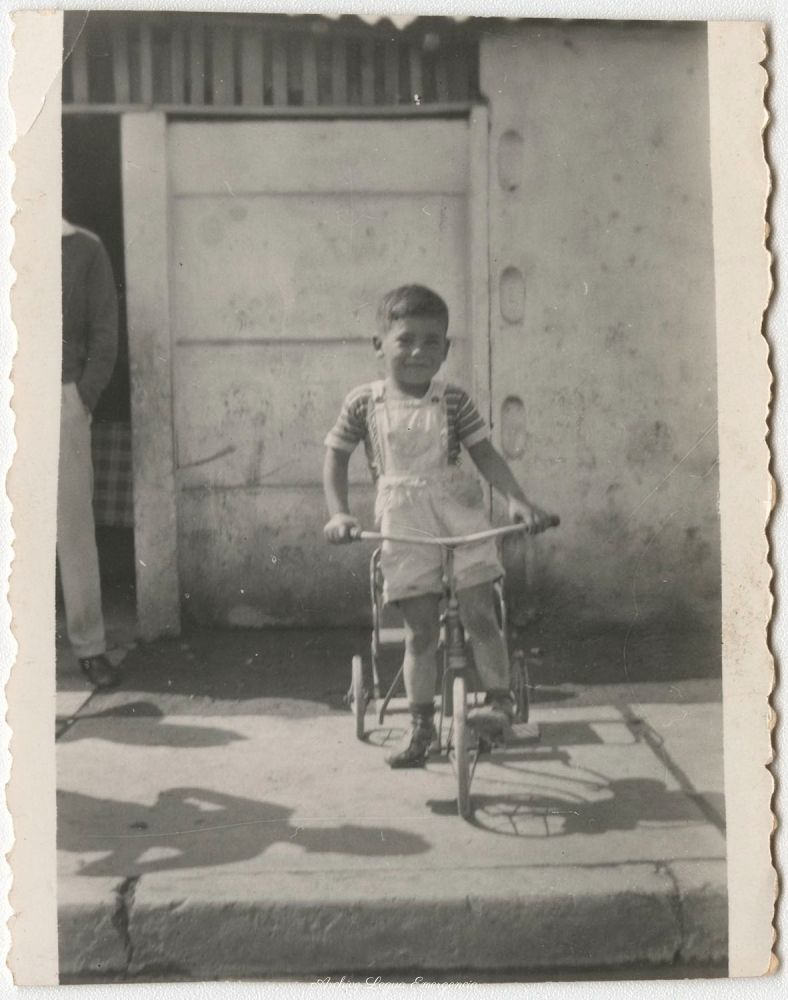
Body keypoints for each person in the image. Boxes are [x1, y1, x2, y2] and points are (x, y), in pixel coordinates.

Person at [323, 285, 553, 768]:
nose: (418, 352)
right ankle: (422, 728)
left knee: (481, 614)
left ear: (446, 349)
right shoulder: (363, 402)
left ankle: (499, 706)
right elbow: (336, 458)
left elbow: (485, 454)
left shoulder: (453, 400)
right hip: (404, 520)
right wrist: (340, 513)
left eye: (432, 342)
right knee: (420, 633)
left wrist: (517, 500)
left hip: (458, 514)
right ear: (379, 345)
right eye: (405, 340)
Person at [59, 218, 120, 689]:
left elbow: (104, 329)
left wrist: (83, 395)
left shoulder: (84, 248)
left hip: (60, 395)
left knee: (72, 526)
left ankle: (89, 646)